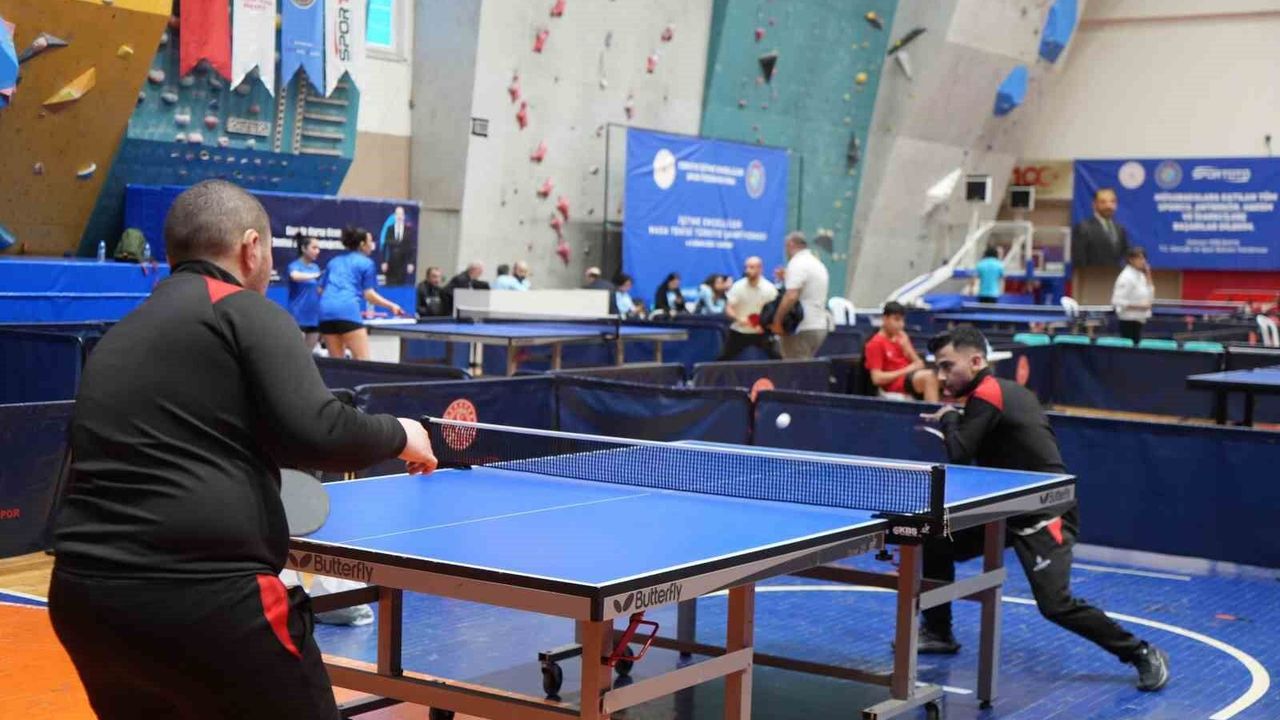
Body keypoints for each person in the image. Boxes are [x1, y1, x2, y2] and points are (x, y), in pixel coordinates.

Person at [47, 180, 438, 720]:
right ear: (251, 247)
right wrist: (400, 432)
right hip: (206, 599)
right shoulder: (245, 311)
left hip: (87, 599)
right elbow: (319, 432)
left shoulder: (122, 333)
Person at [918, 326, 1170, 691]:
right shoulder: (1000, 392)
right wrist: (956, 419)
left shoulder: (988, 393)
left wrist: (947, 417)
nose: (941, 376)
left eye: (947, 366)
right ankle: (938, 631)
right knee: (936, 540)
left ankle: (1141, 652)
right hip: (1009, 509)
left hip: (1044, 511)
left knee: (1055, 604)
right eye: (937, 367)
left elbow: (959, 452)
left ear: (975, 361)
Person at [318, 226, 406, 360]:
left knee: (336, 363)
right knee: (362, 360)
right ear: (362, 244)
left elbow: (320, 290)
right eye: (370, 241)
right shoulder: (366, 263)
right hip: (347, 311)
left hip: (326, 312)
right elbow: (369, 294)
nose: (372, 245)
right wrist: (392, 306)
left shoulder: (333, 262)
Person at [770, 232, 830, 359]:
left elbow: (791, 296)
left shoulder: (797, 264)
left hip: (801, 327)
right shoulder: (816, 263)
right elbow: (808, 288)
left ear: (791, 244)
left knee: (793, 368)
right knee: (805, 365)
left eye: (786, 246)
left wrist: (777, 321)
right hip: (819, 325)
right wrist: (787, 277)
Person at [864, 301, 939, 401]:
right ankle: (933, 411)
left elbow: (920, 364)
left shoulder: (902, 338)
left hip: (909, 378)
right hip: (894, 385)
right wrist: (907, 370)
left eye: (903, 320)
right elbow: (877, 378)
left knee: (942, 377)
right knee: (929, 377)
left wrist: (908, 349)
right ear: (885, 319)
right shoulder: (875, 343)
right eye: (896, 320)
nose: (901, 325)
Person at [721, 257, 779, 360]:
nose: (747, 270)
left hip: (761, 332)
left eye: (751, 267)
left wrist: (766, 325)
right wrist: (739, 318)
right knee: (723, 359)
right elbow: (729, 308)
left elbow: (775, 311)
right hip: (739, 331)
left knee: (775, 358)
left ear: (760, 269)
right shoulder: (737, 286)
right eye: (746, 267)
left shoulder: (770, 289)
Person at [1072, 188, 1130, 267]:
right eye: (1103, 202)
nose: (1108, 206)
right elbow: (1079, 261)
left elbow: (1126, 254)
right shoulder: (1083, 228)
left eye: (1112, 202)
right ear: (1094, 205)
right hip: (1092, 274)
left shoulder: (1120, 229)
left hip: (1115, 274)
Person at [286, 232, 323, 350]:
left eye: (318, 248)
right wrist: (315, 275)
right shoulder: (294, 266)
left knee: (309, 354)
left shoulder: (315, 267)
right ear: (304, 248)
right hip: (298, 316)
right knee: (296, 352)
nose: (317, 251)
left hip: (314, 317)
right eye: (314, 248)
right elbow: (294, 276)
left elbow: (319, 290)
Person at [1112, 247, 1154, 343]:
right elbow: (1117, 301)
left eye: (1144, 258)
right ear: (1131, 260)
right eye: (1140, 258)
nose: (1143, 261)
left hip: (1140, 320)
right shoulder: (1126, 277)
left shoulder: (1141, 276)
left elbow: (1149, 295)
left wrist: (1148, 275)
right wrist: (1139, 306)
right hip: (1128, 321)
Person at [380, 205, 414, 285]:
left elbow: (411, 248)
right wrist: (384, 261)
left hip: (403, 264)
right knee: (390, 285)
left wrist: (411, 263)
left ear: (404, 216)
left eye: (401, 214)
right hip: (391, 263)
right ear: (394, 216)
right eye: (397, 214)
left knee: (401, 285)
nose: (399, 216)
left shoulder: (408, 229)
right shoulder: (390, 229)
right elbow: (385, 246)